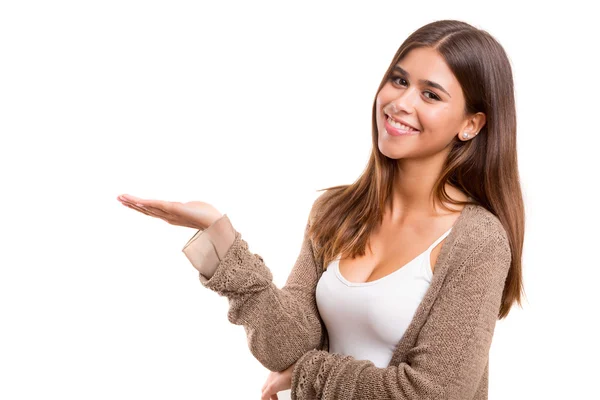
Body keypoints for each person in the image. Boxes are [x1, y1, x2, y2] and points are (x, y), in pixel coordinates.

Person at [117, 19, 525, 400]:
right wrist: (220, 236)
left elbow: (434, 393)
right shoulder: (336, 211)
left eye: (430, 94)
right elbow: (286, 346)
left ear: (470, 124)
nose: (400, 102)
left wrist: (309, 375)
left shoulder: (478, 241)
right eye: (398, 80)